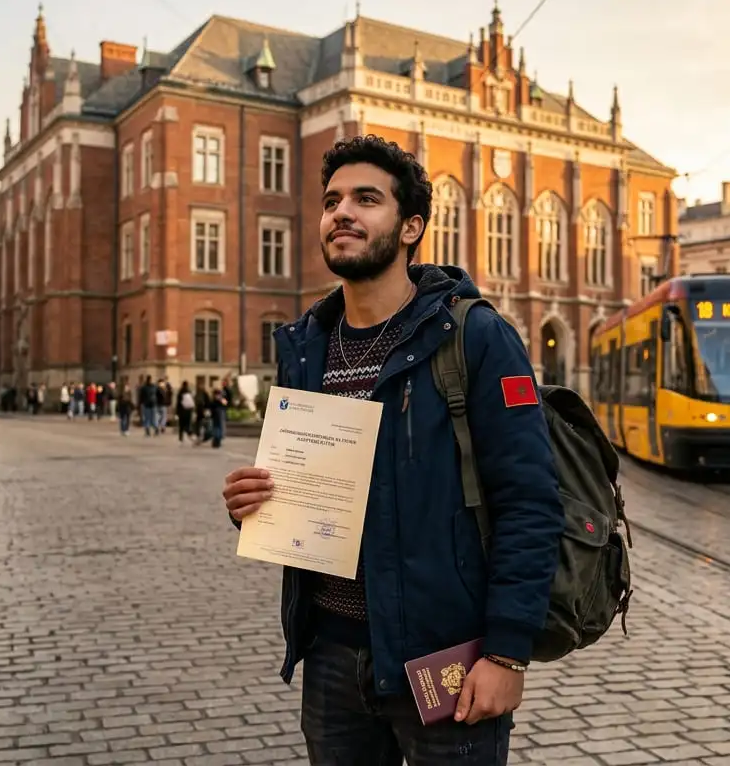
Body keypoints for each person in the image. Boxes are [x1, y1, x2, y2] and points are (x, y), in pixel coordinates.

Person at [221, 135, 564, 765]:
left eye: (366, 199)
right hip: (331, 653)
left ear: (411, 227)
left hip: (445, 658)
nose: (341, 212)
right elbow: (309, 493)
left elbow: (530, 503)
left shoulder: (475, 337)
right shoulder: (308, 347)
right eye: (331, 201)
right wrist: (257, 503)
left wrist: (508, 651)